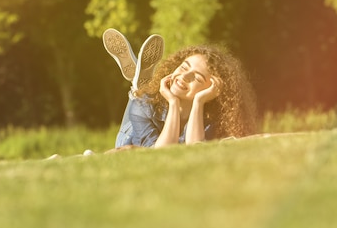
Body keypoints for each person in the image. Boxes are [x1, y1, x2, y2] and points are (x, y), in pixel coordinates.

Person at [102, 28, 258, 148]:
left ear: (211, 88)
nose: (184, 77)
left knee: (141, 94)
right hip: (129, 139)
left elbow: (195, 149)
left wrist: (198, 101)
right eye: (184, 67)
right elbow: (159, 154)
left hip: (165, 108)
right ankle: (138, 87)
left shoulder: (213, 118)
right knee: (139, 97)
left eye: (197, 77)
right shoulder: (144, 105)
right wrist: (173, 103)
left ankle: (140, 84)